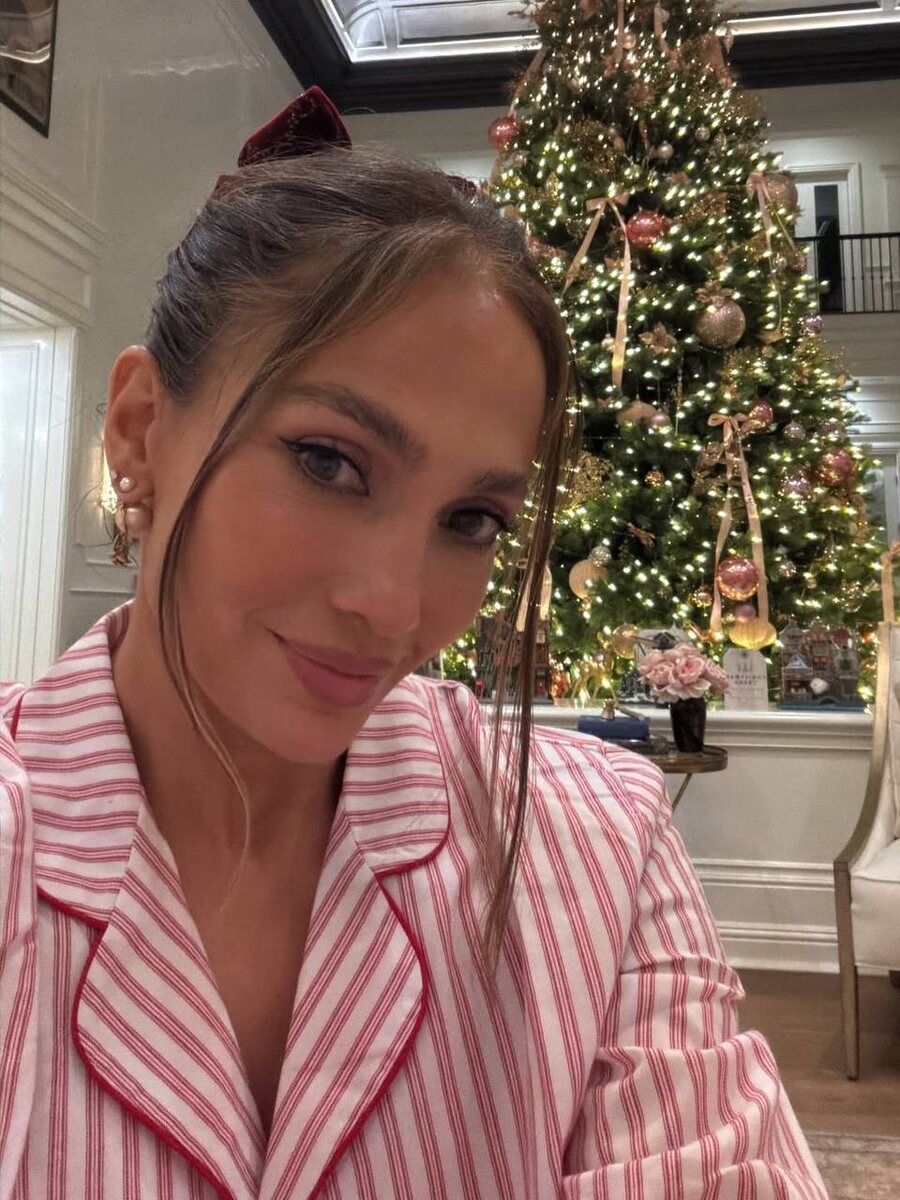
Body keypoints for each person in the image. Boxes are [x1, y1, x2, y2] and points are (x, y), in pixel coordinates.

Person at [0, 88, 826, 1199]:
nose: (394, 610)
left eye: (470, 521)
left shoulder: (595, 845)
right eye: (330, 463)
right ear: (142, 430)